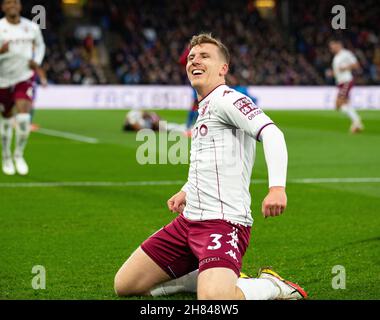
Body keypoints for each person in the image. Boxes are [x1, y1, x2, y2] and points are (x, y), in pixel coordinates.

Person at [114, 33, 307, 300]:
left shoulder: (229, 99)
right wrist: (186, 190)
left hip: (224, 223)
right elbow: (207, 160)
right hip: (188, 222)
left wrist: (277, 188)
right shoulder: (204, 106)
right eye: (192, 57)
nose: (195, 60)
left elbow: (273, 134)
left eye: (205, 56)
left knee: (215, 301)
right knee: (125, 285)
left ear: (223, 68)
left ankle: (273, 286)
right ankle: (197, 277)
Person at [0, 0, 45, 175]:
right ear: (3, 7)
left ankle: (19, 154)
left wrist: (37, 61)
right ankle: (6, 155)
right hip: (2, 80)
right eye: (8, 2)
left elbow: (41, 45)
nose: (12, 5)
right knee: (6, 119)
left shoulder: (32, 27)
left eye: (15, 2)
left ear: (20, 6)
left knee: (24, 118)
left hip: (24, 77)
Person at [328, 39, 363, 133]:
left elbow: (356, 65)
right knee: (343, 104)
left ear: (338, 45)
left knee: (339, 103)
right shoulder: (336, 57)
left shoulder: (346, 54)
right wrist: (332, 73)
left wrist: (345, 68)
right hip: (340, 82)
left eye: (332, 46)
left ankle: (357, 122)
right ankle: (357, 122)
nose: (331, 48)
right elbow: (337, 71)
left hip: (346, 81)